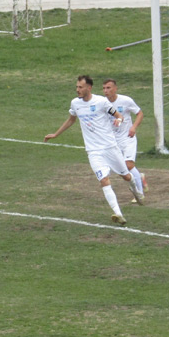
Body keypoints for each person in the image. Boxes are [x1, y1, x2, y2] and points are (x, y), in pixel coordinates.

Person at [44, 75, 144, 225]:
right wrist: (56, 134)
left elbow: (118, 115)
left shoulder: (101, 102)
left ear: (89, 88)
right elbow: (71, 119)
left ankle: (136, 191)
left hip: (110, 147)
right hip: (93, 151)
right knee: (104, 180)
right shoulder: (75, 103)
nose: (77, 89)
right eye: (77, 87)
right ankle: (118, 213)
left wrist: (118, 120)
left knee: (126, 176)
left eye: (80, 87)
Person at [102, 79, 146, 198]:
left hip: (127, 137)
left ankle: (140, 194)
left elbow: (140, 113)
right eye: (104, 88)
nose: (106, 91)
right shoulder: (103, 103)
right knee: (118, 168)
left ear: (115, 88)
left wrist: (134, 127)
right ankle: (139, 178)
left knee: (128, 165)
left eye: (108, 88)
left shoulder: (125, 100)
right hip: (113, 140)